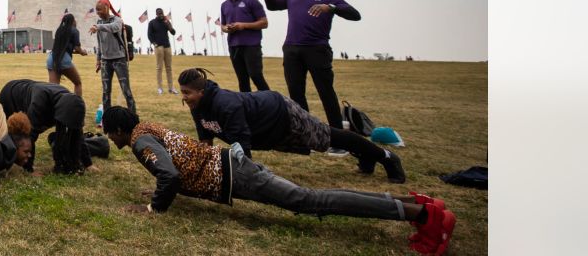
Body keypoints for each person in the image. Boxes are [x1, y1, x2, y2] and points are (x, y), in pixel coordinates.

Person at [101, 107, 456, 254]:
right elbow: (173, 169)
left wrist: (153, 206)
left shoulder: (138, 140)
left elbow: (170, 173)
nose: (112, 141)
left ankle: (420, 215)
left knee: (309, 201)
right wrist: (163, 187)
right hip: (233, 166)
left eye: (110, 134)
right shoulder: (147, 127)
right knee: (310, 197)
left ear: (120, 130)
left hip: (236, 174)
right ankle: (415, 206)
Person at [176, 67, 404, 182]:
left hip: (281, 113)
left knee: (325, 137)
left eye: (187, 93)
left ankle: (387, 157)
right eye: (182, 92)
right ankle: (366, 155)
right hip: (267, 129)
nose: (183, 97)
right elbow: (205, 142)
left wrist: (247, 181)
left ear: (202, 91)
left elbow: (242, 147)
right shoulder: (198, 107)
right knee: (324, 140)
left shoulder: (225, 105)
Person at [264, 0, 361, 154]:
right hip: (292, 50)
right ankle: (307, 136)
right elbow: (272, 5)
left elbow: (355, 15)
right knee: (296, 94)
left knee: (326, 93)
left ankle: (338, 140)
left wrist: (331, 8)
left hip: (317, 50)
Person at [0, 79, 92, 174]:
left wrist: (88, 164)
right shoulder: (40, 104)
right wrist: (30, 169)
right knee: (6, 134)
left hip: (33, 92)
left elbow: (77, 134)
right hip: (11, 94)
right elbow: (30, 135)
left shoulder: (72, 104)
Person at [219, 0, 270, 92]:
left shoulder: (251, 1)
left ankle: (271, 102)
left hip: (251, 46)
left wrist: (242, 25)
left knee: (256, 76)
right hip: (234, 46)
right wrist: (226, 28)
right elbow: (223, 25)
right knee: (242, 80)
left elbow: (264, 23)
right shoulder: (224, 5)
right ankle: (247, 108)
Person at [89, 0, 136, 113]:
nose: (97, 12)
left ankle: (133, 116)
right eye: (96, 9)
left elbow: (113, 27)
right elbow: (100, 43)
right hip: (106, 61)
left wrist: (98, 27)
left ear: (106, 8)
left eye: (99, 9)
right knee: (106, 92)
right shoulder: (98, 22)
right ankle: (107, 119)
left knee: (126, 90)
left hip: (119, 60)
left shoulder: (117, 20)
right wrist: (98, 60)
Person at [47, 12, 91, 97]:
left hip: (51, 57)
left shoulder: (59, 30)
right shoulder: (74, 30)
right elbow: (77, 48)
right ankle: (77, 106)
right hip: (63, 59)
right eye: (75, 20)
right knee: (77, 83)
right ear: (72, 21)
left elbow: (64, 48)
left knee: (53, 89)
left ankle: (51, 108)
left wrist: (75, 51)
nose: (76, 22)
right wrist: (83, 52)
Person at [147, 8, 177, 94]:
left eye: (161, 13)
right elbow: (149, 35)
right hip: (158, 47)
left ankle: (171, 88)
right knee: (159, 68)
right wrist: (154, 43)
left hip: (167, 46)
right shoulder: (152, 23)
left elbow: (173, 32)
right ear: (156, 14)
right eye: (159, 14)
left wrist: (168, 24)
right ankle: (160, 88)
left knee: (169, 68)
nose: (160, 15)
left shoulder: (166, 21)